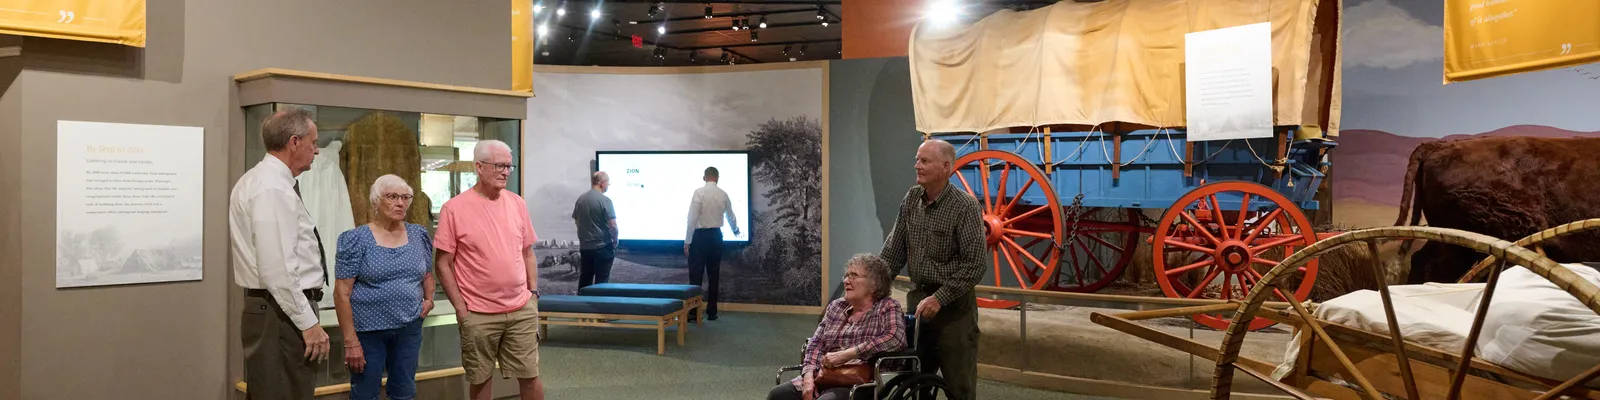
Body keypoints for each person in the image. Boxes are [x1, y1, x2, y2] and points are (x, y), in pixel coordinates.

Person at [228, 107, 331, 399]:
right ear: (294, 142)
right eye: (313, 143)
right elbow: (278, 269)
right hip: (280, 314)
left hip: (276, 310)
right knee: (286, 392)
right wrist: (307, 324)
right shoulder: (272, 188)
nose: (317, 151)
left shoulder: (262, 181)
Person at [434, 140, 545, 400]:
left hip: (520, 308)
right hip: (478, 313)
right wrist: (461, 309)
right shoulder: (454, 209)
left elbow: (527, 252)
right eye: (499, 166)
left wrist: (533, 294)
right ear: (479, 167)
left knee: (530, 375)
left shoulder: (517, 203)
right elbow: (442, 263)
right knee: (480, 379)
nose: (506, 172)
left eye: (509, 166)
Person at [878, 139, 986, 400]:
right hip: (918, 307)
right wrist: (874, 289)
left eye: (924, 161)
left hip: (954, 313)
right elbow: (893, 250)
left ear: (945, 167)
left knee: (959, 388)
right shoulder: (911, 198)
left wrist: (940, 297)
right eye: (917, 159)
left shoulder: (965, 206)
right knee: (915, 382)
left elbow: (975, 265)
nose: (917, 166)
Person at [333, 175, 436, 400]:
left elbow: (427, 273)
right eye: (392, 197)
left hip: (409, 328)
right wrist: (351, 341)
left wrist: (429, 299)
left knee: (404, 392)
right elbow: (342, 292)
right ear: (375, 202)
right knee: (365, 394)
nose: (400, 203)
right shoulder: (356, 239)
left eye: (405, 197)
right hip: (368, 332)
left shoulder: (418, 234)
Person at [768, 254, 905, 400]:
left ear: (874, 284)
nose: (846, 280)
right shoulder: (836, 307)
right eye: (846, 275)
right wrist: (808, 378)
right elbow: (816, 344)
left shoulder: (887, 306)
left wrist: (849, 354)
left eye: (854, 275)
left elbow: (895, 338)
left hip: (859, 381)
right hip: (823, 376)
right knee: (777, 395)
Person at [684, 166, 740, 321]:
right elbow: (731, 217)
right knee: (714, 275)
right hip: (716, 236)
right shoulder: (723, 194)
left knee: (696, 276)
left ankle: (694, 313)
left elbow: (691, 220)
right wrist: (736, 231)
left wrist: (687, 241)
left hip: (699, 237)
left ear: (704, 178)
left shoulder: (698, 193)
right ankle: (712, 312)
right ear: (718, 178)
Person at [572, 171, 618, 288]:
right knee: (602, 282)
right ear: (602, 183)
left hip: (585, 248)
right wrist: (615, 240)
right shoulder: (605, 201)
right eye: (608, 183)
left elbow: (577, 222)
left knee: (585, 279)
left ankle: (581, 305)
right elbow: (613, 225)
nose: (608, 185)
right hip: (602, 247)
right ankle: (600, 306)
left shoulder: (580, 199)